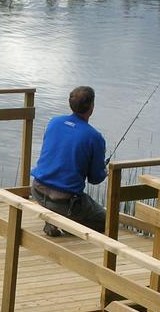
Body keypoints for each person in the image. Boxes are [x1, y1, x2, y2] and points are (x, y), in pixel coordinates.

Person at [30, 86, 107, 236]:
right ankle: (67, 221)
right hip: (65, 203)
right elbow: (95, 179)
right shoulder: (94, 137)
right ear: (91, 107)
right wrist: (104, 168)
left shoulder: (54, 122)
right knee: (106, 221)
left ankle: (53, 220)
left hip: (37, 191)